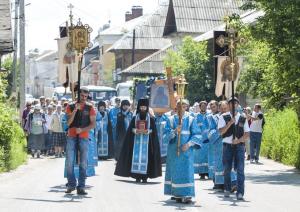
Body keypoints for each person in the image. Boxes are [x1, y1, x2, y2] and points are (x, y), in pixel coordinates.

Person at [164, 100, 203, 204]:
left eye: (184, 106)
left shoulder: (191, 119)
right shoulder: (171, 120)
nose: (182, 109)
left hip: (186, 151)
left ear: (187, 107)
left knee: (187, 171)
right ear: (176, 107)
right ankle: (177, 193)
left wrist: (189, 144)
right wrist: (174, 131)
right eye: (180, 106)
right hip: (174, 151)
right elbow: (165, 136)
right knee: (176, 171)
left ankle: (188, 195)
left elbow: (197, 135)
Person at [114, 98, 162, 183]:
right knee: (134, 157)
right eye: (141, 107)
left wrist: (148, 131)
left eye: (144, 107)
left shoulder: (151, 119)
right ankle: (136, 176)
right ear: (139, 108)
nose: (143, 109)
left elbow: (154, 133)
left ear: (147, 108)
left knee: (147, 158)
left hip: (147, 144)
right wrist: (135, 131)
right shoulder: (134, 118)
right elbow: (130, 131)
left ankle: (145, 177)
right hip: (136, 142)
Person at [65, 87, 96, 195]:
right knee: (69, 162)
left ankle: (81, 186)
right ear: (78, 95)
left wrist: (82, 129)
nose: (84, 98)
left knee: (83, 163)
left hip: (84, 136)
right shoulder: (70, 106)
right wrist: (75, 110)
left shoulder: (90, 107)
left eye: (86, 96)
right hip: (71, 136)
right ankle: (71, 184)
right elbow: (68, 123)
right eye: (82, 96)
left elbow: (93, 124)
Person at [218, 97, 250, 200]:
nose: (233, 105)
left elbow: (247, 134)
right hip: (227, 146)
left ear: (237, 105)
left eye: (235, 103)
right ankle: (227, 188)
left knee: (240, 169)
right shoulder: (223, 117)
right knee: (227, 169)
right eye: (231, 103)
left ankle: (240, 192)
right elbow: (221, 132)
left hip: (239, 146)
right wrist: (229, 124)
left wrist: (239, 140)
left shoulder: (243, 118)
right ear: (228, 105)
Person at [194, 101, 210, 179]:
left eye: (205, 106)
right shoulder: (196, 116)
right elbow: (195, 127)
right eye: (202, 106)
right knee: (200, 157)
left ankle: (207, 172)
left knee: (207, 156)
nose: (203, 107)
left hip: (208, 139)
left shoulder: (209, 115)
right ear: (200, 107)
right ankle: (201, 173)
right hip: (200, 139)